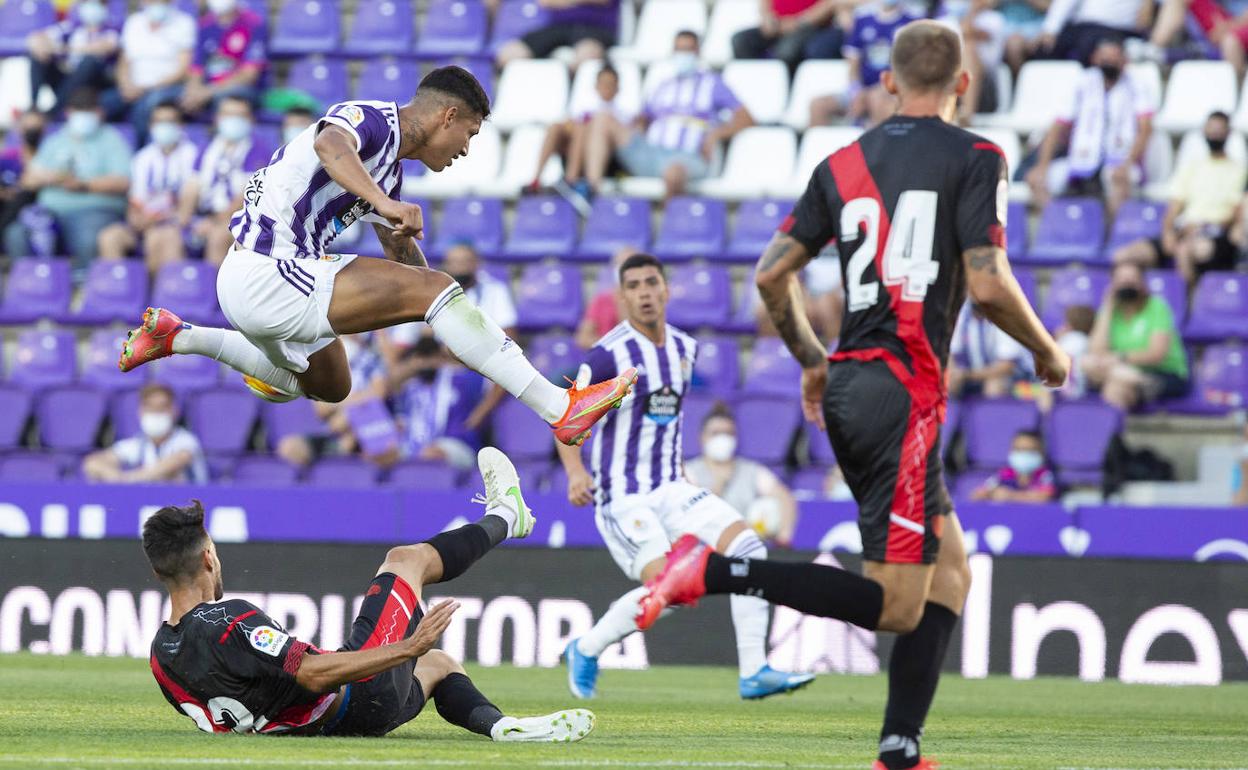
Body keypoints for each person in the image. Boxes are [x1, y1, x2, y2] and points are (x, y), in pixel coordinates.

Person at [638, 22, 1069, 770]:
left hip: (853, 381)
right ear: (963, 85)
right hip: (901, 395)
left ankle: (899, 749)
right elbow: (991, 282)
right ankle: (708, 571)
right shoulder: (977, 155)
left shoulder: (841, 162)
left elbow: (772, 276)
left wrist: (812, 358)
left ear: (890, 82)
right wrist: (1046, 348)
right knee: (898, 604)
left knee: (952, 572)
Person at [118, 66, 636, 450]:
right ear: (447, 116)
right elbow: (329, 145)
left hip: (260, 279)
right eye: (470, 134)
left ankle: (180, 336)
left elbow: (402, 255)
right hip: (269, 271)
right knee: (434, 293)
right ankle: (558, 408)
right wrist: (425, 275)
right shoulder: (368, 120)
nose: (466, 149)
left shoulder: (388, 173)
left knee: (332, 385)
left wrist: (454, 315)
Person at [143, 449, 597, 741]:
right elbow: (315, 674)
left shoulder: (161, 656)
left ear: (158, 569)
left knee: (438, 666)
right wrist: (407, 647)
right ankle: (506, 515)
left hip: (340, 726)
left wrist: (414, 656)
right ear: (208, 559)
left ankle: (501, 728)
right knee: (405, 560)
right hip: (354, 698)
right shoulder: (229, 620)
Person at [558, 253, 814, 702]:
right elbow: (565, 416)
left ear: (666, 289)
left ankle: (754, 669)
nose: (644, 293)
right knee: (669, 588)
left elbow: (667, 421)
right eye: (633, 286)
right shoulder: (607, 356)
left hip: (673, 488)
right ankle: (587, 647)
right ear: (622, 297)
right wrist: (576, 472)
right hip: (624, 496)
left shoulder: (683, 348)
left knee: (751, 548)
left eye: (651, 283)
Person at [582, 32, 754, 201]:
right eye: (679, 50)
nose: (683, 56)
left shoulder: (713, 84)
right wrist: (639, 127)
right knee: (603, 119)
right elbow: (644, 117)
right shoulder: (663, 86)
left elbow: (746, 118)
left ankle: (669, 223)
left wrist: (717, 134)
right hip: (652, 152)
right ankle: (591, 193)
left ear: (697, 52)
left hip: (689, 157)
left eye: (688, 50)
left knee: (673, 172)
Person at [2, 88, 131, 271]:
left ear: (99, 113)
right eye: (79, 110)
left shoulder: (111, 139)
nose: (83, 116)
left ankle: (81, 290)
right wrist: (52, 178)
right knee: (17, 233)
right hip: (49, 212)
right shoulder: (56, 140)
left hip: (94, 211)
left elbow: (123, 181)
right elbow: (28, 180)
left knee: (89, 239)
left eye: (89, 110)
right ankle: (30, 289)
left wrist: (84, 185)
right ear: (68, 113)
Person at [1111, 112, 1247, 286]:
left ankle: (1187, 307)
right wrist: (1168, 233)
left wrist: (1199, 227)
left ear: (1228, 133)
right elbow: (1174, 207)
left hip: (1214, 234)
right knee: (1123, 256)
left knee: (1183, 252)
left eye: (1219, 130)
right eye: (1211, 130)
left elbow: (1235, 214)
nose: (1214, 135)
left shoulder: (1239, 171)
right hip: (1182, 231)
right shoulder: (1192, 167)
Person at [1025, 37, 1154, 219]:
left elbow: (1145, 129)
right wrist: (1042, 166)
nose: (1109, 62)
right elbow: (1058, 127)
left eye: (1114, 57)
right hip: (1082, 157)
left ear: (1124, 60)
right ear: (1095, 58)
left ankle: (1111, 238)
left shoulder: (1137, 84)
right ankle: (1058, 230)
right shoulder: (1083, 83)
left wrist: (1128, 163)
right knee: (1036, 180)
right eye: (1104, 58)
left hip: (1120, 158)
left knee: (1119, 178)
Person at [98, 101, 198, 272]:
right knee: (109, 237)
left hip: (177, 224)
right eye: (158, 122)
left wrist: (160, 219)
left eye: (170, 121)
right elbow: (135, 200)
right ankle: (121, 294)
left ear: (181, 125)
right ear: (151, 125)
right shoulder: (142, 158)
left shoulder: (193, 155)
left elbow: (189, 202)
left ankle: (159, 296)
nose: (163, 127)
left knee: (160, 237)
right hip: (145, 221)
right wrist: (136, 219)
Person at [685, 404, 799, 548]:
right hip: (704, 549)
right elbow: (690, 514)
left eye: (728, 433)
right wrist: (718, 486)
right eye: (716, 433)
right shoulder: (689, 471)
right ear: (702, 437)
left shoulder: (751, 470)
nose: (722, 438)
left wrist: (784, 536)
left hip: (747, 548)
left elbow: (784, 497)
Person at [176, 95, 270, 266]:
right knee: (168, 236)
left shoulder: (259, 150)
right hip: (204, 215)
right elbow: (193, 185)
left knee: (218, 237)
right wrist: (184, 221)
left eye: (239, 116)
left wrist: (214, 222)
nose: (233, 120)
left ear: (250, 120)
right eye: (228, 115)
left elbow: (246, 195)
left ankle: (214, 292)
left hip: (240, 218)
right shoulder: (207, 147)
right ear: (218, 118)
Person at [275, 333, 393, 468]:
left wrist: (347, 413)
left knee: (349, 435)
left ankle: (343, 454)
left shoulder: (372, 358)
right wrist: (353, 403)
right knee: (289, 447)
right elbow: (321, 408)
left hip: (368, 424)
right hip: (331, 430)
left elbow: (379, 393)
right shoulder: (324, 363)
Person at [1082, 262, 1189, 411]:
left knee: (1115, 385)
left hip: (1163, 374)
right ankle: (1140, 382)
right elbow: (1096, 351)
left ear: (1142, 283)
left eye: (1132, 279)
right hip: (1121, 372)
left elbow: (1157, 354)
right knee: (1089, 363)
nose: (1127, 283)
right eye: (1122, 280)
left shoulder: (1156, 307)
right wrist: (1107, 308)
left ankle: (1106, 430)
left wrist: (1119, 358)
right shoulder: (1110, 312)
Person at [531, 64, 633, 203]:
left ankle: (570, 179)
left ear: (617, 88)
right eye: (603, 84)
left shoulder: (624, 113)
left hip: (607, 162)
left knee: (581, 128)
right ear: (596, 86)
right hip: (577, 150)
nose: (606, 88)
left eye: (610, 84)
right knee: (556, 127)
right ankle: (536, 180)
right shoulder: (584, 107)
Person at [103, 0, 197, 144]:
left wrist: (146, 88)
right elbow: (124, 62)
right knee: (102, 104)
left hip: (166, 87)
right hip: (133, 87)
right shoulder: (134, 22)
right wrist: (125, 85)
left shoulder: (184, 23)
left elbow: (183, 69)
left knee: (145, 106)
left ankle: (140, 150)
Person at [83, 383, 208, 484]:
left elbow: (169, 466)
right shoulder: (137, 444)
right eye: (150, 407)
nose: (156, 412)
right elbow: (92, 463)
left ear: (174, 411)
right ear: (141, 411)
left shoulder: (186, 440)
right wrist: (115, 476)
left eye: (161, 407)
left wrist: (128, 479)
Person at [26, 0, 119, 117]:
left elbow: (104, 48)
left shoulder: (112, 28)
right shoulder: (71, 27)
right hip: (69, 77)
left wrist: (62, 49)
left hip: (97, 82)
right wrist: (42, 49)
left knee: (89, 62)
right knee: (38, 56)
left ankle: (54, 111)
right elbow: (35, 39)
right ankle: (33, 107)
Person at [180, 0, 267, 116]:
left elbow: (248, 75)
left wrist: (207, 92)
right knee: (175, 100)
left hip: (243, 89)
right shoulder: (205, 25)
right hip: (206, 88)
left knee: (226, 99)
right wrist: (193, 90)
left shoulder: (254, 24)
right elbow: (196, 68)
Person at [843, 0, 921, 128]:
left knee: (877, 99)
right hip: (863, 88)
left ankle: (876, 145)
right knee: (818, 105)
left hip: (895, 88)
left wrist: (889, 87)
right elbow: (853, 64)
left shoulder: (913, 20)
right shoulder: (862, 19)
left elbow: (914, 65)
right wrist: (856, 90)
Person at [495, 0, 619, 69]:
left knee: (587, 56)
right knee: (509, 54)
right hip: (558, 27)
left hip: (595, 28)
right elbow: (546, 2)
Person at [732, 0, 843, 74]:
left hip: (811, 26)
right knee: (741, 41)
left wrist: (799, 22)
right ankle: (753, 83)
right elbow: (765, 3)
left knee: (787, 51)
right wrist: (767, 18)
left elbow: (829, 3)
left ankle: (784, 90)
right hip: (776, 24)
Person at [947, 303, 1030, 398]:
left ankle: (992, 412)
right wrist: (953, 373)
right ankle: (952, 412)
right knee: (948, 382)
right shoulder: (961, 312)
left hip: (1018, 378)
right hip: (969, 374)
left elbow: (1007, 366)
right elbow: (951, 354)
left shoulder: (1005, 314)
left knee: (994, 385)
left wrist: (967, 375)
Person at [1036, 0, 1150, 63]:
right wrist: (1050, 29)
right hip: (1082, 25)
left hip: (1118, 29)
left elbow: (1144, 20)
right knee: (1045, 48)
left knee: (1089, 44)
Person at [0, 111, 47, 252]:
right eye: (28, 127)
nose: (32, 132)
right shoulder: (6, 158)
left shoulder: (50, 157)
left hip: (35, 212)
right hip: (6, 208)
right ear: (19, 129)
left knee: (16, 233)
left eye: (36, 128)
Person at [575, 246, 637, 349]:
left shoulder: (647, 302)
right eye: (621, 265)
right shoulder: (601, 300)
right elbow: (583, 338)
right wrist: (610, 349)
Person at [970, 430, 1058, 502]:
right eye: (1018, 450)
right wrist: (991, 494)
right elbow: (977, 494)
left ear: (1040, 453)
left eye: (1029, 450)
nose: (1023, 455)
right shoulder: (1005, 474)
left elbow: (1045, 496)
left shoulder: (1044, 475)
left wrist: (1011, 496)